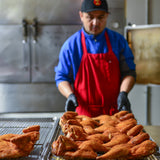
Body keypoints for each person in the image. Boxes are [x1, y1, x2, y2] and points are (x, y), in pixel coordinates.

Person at [55, 0, 136, 117]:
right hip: (84, 117)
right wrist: (70, 95)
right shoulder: (71, 45)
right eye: (90, 17)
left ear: (107, 16)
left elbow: (129, 73)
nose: (95, 22)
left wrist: (123, 93)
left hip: (115, 114)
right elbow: (61, 77)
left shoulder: (118, 41)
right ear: (81, 16)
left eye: (101, 17)